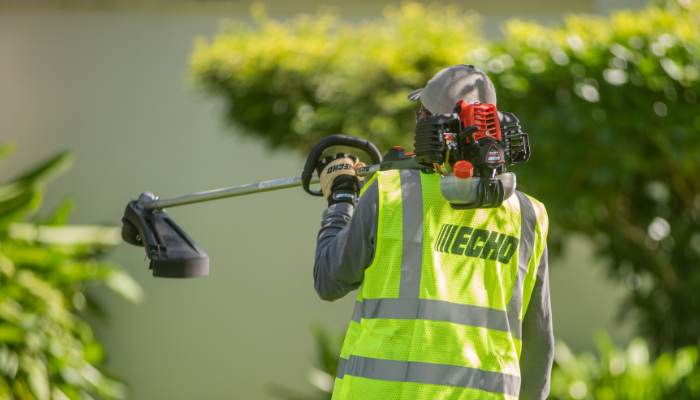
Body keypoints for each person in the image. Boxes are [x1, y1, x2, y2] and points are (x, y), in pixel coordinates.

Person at [314, 64, 553, 400]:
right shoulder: (528, 215)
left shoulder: (389, 193)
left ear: (427, 123)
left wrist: (341, 199)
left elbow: (329, 279)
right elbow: (539, 342)